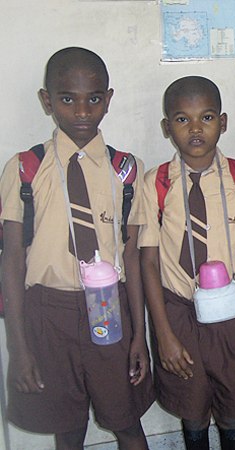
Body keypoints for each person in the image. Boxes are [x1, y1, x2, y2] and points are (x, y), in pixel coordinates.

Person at [0, 47, 154, 449]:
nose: (82, 111)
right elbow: (11, 259)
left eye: (94, 98)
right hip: (49, 314)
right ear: (47, 100)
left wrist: (139, 335)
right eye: (68, 99)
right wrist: (19, 349)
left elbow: (133, 256)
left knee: (127, 422)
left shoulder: (127, 170)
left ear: (108, 99)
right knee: (67, 429)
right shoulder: (24, 168)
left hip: (111, 309)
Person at [139, 76, 235, 450]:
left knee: (233, 405)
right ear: (167, 127)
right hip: (179, 313)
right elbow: (148, 263)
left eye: (207, 117)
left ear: (222, 122)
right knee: (191, 407)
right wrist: (163, 334)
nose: (195, 128)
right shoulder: (156, 184)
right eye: (183, 119)